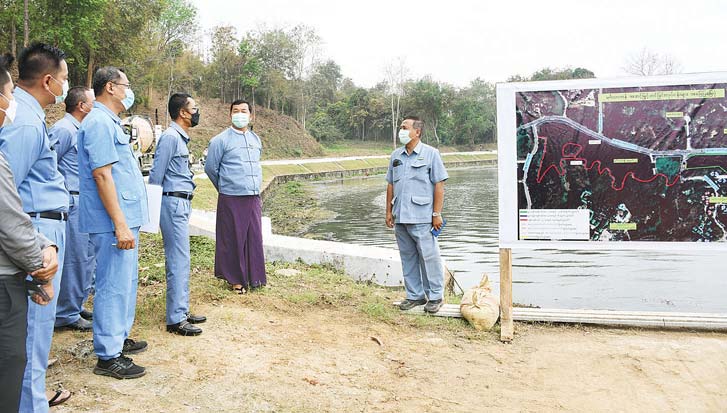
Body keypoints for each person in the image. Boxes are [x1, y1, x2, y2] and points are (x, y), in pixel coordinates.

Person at [0, 43, 71, 412]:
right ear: (47, 80)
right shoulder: (26, 123)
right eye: (64, 78)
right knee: (30, 337)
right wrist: (33, 251)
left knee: (35, 336)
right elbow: (6, 194)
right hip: (34, 235)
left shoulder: (28, 115)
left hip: (40, 231)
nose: (65, 85)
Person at [77, 66, 149, 379]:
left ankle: (118, 337)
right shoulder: (97, 122)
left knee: (125, 281)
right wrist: (120, 224)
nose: (128, 91)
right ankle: (108, 355)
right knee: (111, 284)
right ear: (110, 87)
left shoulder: (110, 121)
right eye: (125, 85)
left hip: (123, 217)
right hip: (111, 221)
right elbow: (102, 176)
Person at [148, 93, 206, 336]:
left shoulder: (180, 138)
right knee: (178, 259)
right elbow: (156, 176)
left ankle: (181, 309)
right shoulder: (170, 138)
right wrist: (153, 212)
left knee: (182, 259)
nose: (197, 112)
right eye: (194, 108)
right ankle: (176, 319)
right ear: (182, 112)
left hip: (180, 203)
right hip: (172, 203)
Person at [385, 116, 448, 314]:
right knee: (408, 257)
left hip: (422, 216)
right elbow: (390, 184)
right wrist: (388, 211)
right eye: (401, 127)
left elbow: (439, 185)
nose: (401, 131)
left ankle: (435, 296)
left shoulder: (431, 154)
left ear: (417, 132)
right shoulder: (396, 155)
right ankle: (415, 295)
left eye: (405, 128)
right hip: (400, 216)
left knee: (429, 257)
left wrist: (436, 213)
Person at [204, 100, 266, 294]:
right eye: (236, 111)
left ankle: (254, 277)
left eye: (244, 111)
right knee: (232, 238)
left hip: (252, 195)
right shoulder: (220, 140)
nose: (240, 114)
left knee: (253, 236)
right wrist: (225, 187)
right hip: (231, 196)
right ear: (230, 115)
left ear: (251, 115)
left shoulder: (255, 139)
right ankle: (235, 281)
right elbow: (211, 168)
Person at [50, 86, 96, 332]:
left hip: (85, 201)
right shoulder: (63, 129)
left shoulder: (81, 130)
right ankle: (65, 313)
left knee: (85, 258)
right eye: (92, 102)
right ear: (81, 106)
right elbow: (48, 166)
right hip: (72, 202)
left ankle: (75, 304)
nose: (95, 106)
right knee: (74, 259)